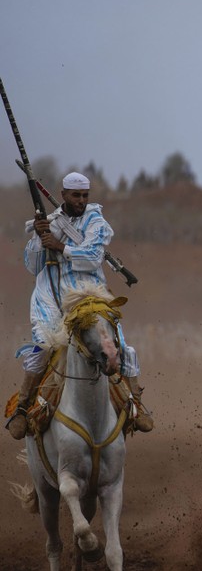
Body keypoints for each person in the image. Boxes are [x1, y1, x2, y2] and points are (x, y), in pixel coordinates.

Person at [6, 172, 152, 440]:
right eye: (76, 195)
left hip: (89, 295)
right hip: (49, 297)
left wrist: (60, 246)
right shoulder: (48, 223)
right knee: (43, 347)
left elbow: (93, 256)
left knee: (118, 345)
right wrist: (40, 238)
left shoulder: (96, 221)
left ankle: (136, 404)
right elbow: (32, 266)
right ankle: (24, 409)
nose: (82, 200)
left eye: (85, 195)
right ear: (63, 195)